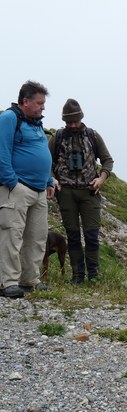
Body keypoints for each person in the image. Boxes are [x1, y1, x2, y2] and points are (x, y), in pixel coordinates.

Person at [49, 99, 114, 284]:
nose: (72, 125)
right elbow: (47, 162)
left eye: (75, 121)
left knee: (92, 235)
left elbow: (108, 160)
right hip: (66, 193)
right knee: (73, 236)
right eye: (68, 122)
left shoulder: (93, 136)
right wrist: (52, 178)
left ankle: (93, 276)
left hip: (89, 193)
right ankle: (77, 275)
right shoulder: (58, 137)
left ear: (81, 118)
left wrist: (100, 179)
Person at [0, 81, 55, 298]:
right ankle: (8, 282)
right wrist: (12, 182)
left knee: (37, 236)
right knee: (12, 234)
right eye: (39, 103)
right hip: (17, 188)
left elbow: (41, 154)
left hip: (40, 190)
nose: (43, 107)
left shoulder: (35, 123)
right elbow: (2, 152)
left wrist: (49, 180)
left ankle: (29, 279)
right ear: (25, 101)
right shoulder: (8, 119)